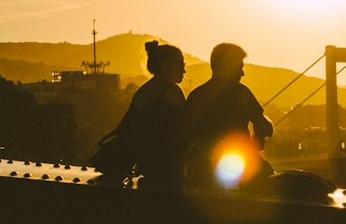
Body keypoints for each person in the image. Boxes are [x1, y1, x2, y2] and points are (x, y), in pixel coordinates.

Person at [89, 41, 186, 188]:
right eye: (181, 65)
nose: (184, 71)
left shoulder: (142, 92)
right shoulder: (172, 92)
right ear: (169, 66)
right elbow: (184, 128)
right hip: (165, 167)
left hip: (144, 165)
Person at [182, 41, 274, 190]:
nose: (242, 73)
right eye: (239, 67)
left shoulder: (196, 95)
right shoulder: (241, 92)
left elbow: (184, 134)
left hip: (203, 172)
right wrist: (256, 141)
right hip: (240, 168)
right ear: (227, 65)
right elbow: (265, 126)